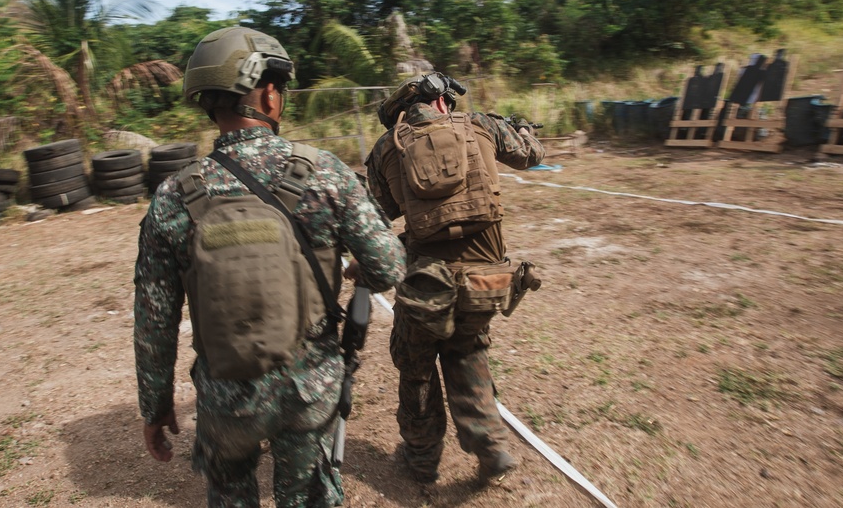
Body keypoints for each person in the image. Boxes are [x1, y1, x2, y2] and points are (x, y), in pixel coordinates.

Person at [134, 26, 406, 508]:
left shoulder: (175, 195)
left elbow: (154, 321)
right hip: (309, 389)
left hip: (225, 398)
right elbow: (387, 267)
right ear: (267, 92)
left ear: (209, 102)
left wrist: (155, 408)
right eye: (278, 85)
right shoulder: (324, 171)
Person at [364, 73, 545, 484]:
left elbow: (378, 213)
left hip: (425, 285)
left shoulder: (386, 148)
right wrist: (522, 130)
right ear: (443, 102)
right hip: (487, 281)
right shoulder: (481, 125)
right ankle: (491, 445)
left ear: (400, 115)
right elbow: (531, 154)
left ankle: (423, 459)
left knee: (417, 369)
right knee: (467, 354)